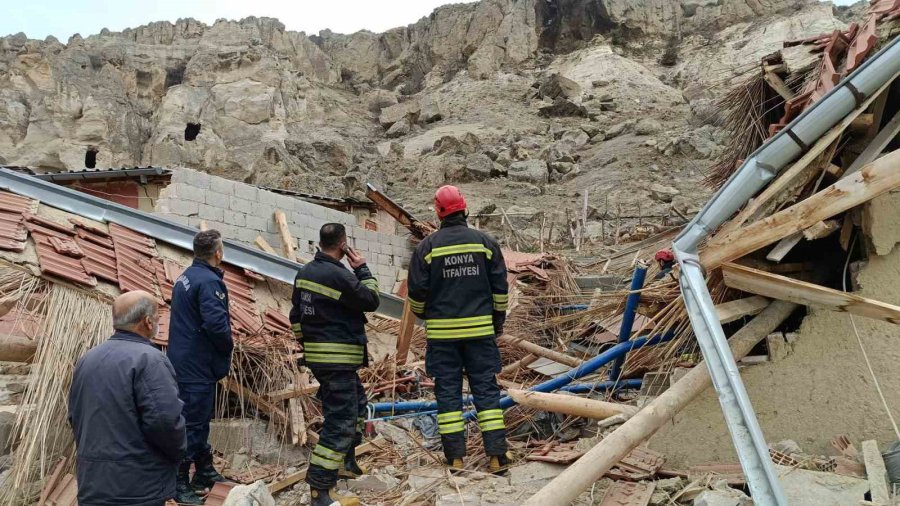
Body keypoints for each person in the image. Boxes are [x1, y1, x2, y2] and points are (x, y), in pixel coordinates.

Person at [407, 185, 512, 473]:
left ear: (438, 212)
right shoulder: (485, 243)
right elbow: (500, 291)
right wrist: (496, 322)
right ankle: (496, 457)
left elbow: (415, 296)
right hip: (480, 334)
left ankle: (454, 458)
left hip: (442, 338)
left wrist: (428, 317)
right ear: (465, 208)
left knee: (448, 395)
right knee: (487, 394)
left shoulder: (426, 248)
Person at [289, 223, 380, 506]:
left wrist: (310, 345)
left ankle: (344, 463)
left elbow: (295, 316)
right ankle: (319, 488)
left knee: (357, 407)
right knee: (340, 421)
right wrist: (362, 268)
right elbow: (371, 300)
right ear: (343, 245)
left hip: (323, 359)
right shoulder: (339, 275)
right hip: (338, 360)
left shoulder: (304, 273)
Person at [68, 290, 186, 506]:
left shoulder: (88, 359)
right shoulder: (150, 360)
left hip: (93, 483)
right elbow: (166, 423)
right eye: (158, 317)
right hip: (138, 488)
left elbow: (75, 417)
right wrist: (178, 454)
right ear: (148, 322)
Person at [167, 229, 233, 504]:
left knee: (198, 419)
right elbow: (216, 325)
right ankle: (179, 481)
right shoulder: (207, 282)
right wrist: (227, 347)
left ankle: (204, 470)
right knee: (194, 422)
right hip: (196, 364)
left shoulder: (186, 276)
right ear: (218, 253)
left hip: (184, 359)